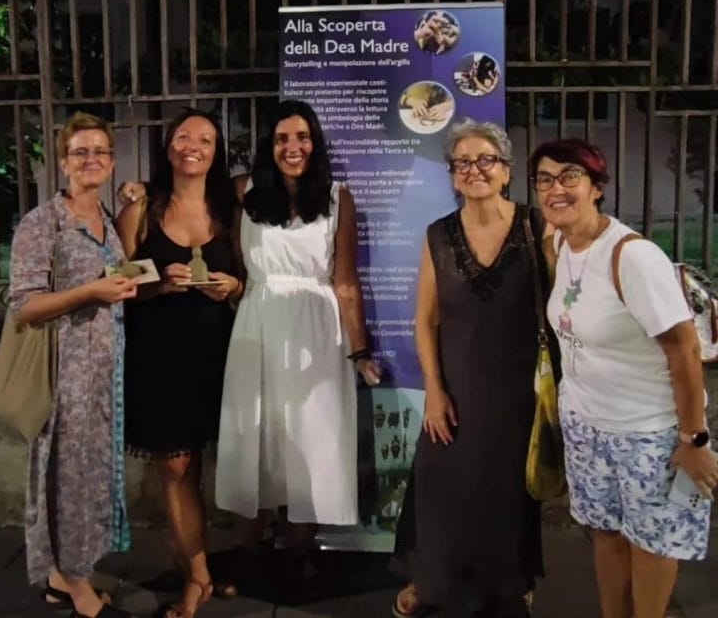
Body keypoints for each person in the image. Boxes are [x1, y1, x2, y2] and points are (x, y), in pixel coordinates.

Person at [529, 138, 717, 618]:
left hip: (645, 433)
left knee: (651, 544)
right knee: (605, 533)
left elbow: (684, 349)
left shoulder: (632, 257)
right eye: (545, 179)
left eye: (570, 176)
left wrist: (694, 439)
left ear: (597, 186)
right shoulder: (559, 243)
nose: (556, 188)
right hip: (587, 426)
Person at [392, 119, 551, 618]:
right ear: (452, 175)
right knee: (441, 486)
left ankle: (510, 582)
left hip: (517, 387)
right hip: (455, 385)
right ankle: (432, 581)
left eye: (486, 160)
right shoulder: (438, 234)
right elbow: (425, 319)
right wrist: (434, 391)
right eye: (462, 162)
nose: (474, 169)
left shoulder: (536, 226)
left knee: (508, 488)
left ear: (506, 170)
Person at [214, 99, 381, 567]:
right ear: (268, 144)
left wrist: (359, 350)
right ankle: (250, 548)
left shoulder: (337, 197)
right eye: (283, 138)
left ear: (315, 143)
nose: (293, 147)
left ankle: (300, 551)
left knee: (312, 434)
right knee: (256, 431)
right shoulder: (243, 191)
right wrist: (138, 194)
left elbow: (345, 280)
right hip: (259, 321)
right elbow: (199, 218)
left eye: (303, 137)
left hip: (317, 329)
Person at [9, 112, 138, 618]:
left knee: (88, 481)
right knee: (66, 481)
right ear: (63, 162)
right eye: (80, 151)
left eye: (101, 151)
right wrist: (92, 291)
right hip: (64, 379)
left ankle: (62, 579)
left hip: (104, 378)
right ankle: (78, 589)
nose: (92, 159)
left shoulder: (105, 219)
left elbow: (113, 275)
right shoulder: (43, 223)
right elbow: (25, 305)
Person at [116, 109, 241, 618]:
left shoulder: (231, 210)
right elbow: (118, 284)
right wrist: (158, 285)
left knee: (203, 465)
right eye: (183, 136)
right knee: (176, 465)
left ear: (216, 152)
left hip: (218, 353)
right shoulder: (142, 211)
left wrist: (232, 286)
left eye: (205, 139)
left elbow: (251, 278)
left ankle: (192, 558)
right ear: (168, 148)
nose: (194, 145)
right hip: (159, 354)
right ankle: (198, 576)